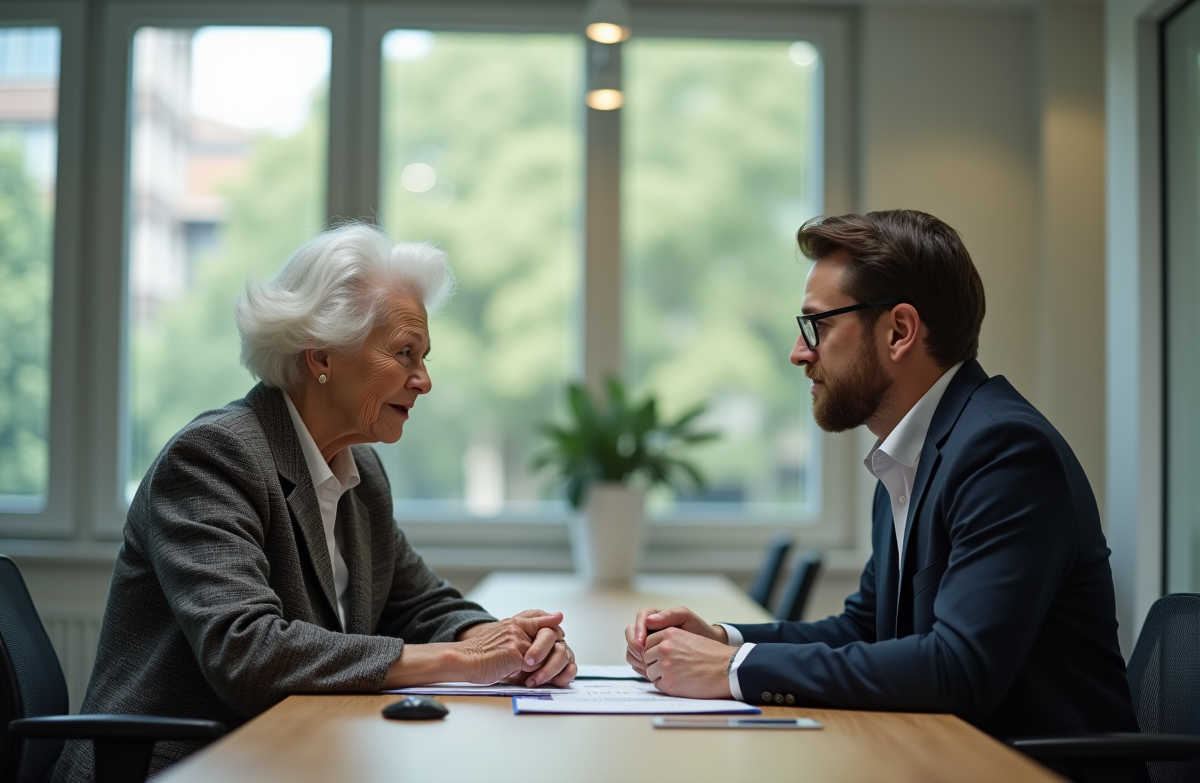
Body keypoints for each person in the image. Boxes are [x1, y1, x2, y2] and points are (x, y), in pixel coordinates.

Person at [54, 224, 576, 781]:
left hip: (291, 753)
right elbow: (247, 650)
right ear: (321, 354)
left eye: (423, 357)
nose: (424, 381)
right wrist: (457, 661)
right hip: (180, 766)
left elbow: (420, 603)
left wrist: (511, 644)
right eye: (405, 353)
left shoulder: (360, 470)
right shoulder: (213, 456)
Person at [624, 210, 1139, 742]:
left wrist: (733, 671)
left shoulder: (1004, 451)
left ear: (899, 331)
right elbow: (864, 629)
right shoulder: (908, 453)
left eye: (817, 325)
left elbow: (959, 668)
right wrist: (723, 641)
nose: (799, 352)